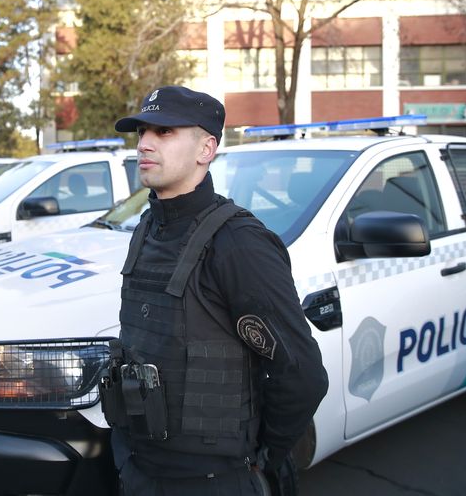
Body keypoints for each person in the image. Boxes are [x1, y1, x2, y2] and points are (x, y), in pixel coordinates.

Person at [100, 86, 329, 496]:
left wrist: (258, 463)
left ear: (206, 148)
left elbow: (301, 376)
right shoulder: (147, 229)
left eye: (164, 132)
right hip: (139, 469)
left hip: (211, 481)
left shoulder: (238, 244)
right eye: (142, 133)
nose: (145, 144)